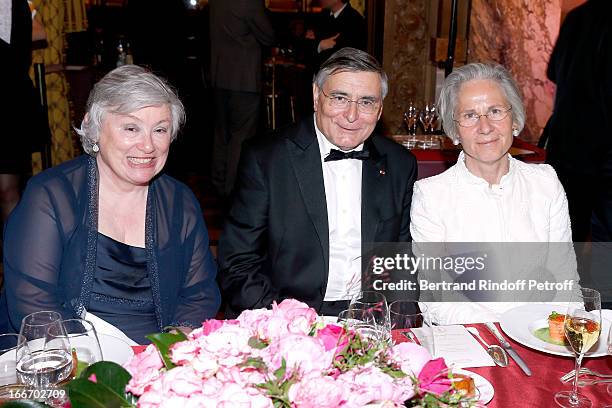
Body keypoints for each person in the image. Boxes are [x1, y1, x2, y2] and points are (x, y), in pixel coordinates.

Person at [0, 65, 221, 342]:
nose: (148, 146)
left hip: (155, 359)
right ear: (93, 129)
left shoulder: (180, 203)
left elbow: (199, 294)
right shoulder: (51, 197)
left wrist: (169, 351)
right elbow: (33, 306)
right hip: (69, 358)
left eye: (160, 130)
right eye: (131, 128)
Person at [218, 48, 418, 318]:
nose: (351, 115)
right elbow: (238, 263)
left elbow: (401, 260)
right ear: (316, 96)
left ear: (380, 108)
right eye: (339, 98)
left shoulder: (399, 164)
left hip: (370, 317)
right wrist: (287, 322)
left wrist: (399, 323)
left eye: (366, 102)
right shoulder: (266, 159)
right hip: (283, 313)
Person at [410, 63, 578, 325]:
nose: (485, 126)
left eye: (495, 111)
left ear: (514, 120)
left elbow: (564, 279)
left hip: (541, 335)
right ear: (454, 131)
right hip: (468, 340)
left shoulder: (546, 183)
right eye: (469, 115)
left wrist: (551, 334)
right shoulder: (431, 196)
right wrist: (505, 332)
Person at [543, 0, 612, 243]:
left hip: (566, 150)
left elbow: (552, 72)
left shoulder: (576, 16)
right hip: (604, 157)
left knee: (564, 237)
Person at [209, 0, 275, 198]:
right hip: (244, 79)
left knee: (221, 134)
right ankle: (233, 190)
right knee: (241, 136)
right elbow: (269, 36)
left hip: (219, 76)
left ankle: (218, 184)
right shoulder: (250, 2)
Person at [306, 0, 367, 69]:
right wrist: (320, 44)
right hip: (314, 73)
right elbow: (305, 45)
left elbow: (345, 56)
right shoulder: (321, 15)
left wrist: (318, 44)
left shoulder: (355, 20)